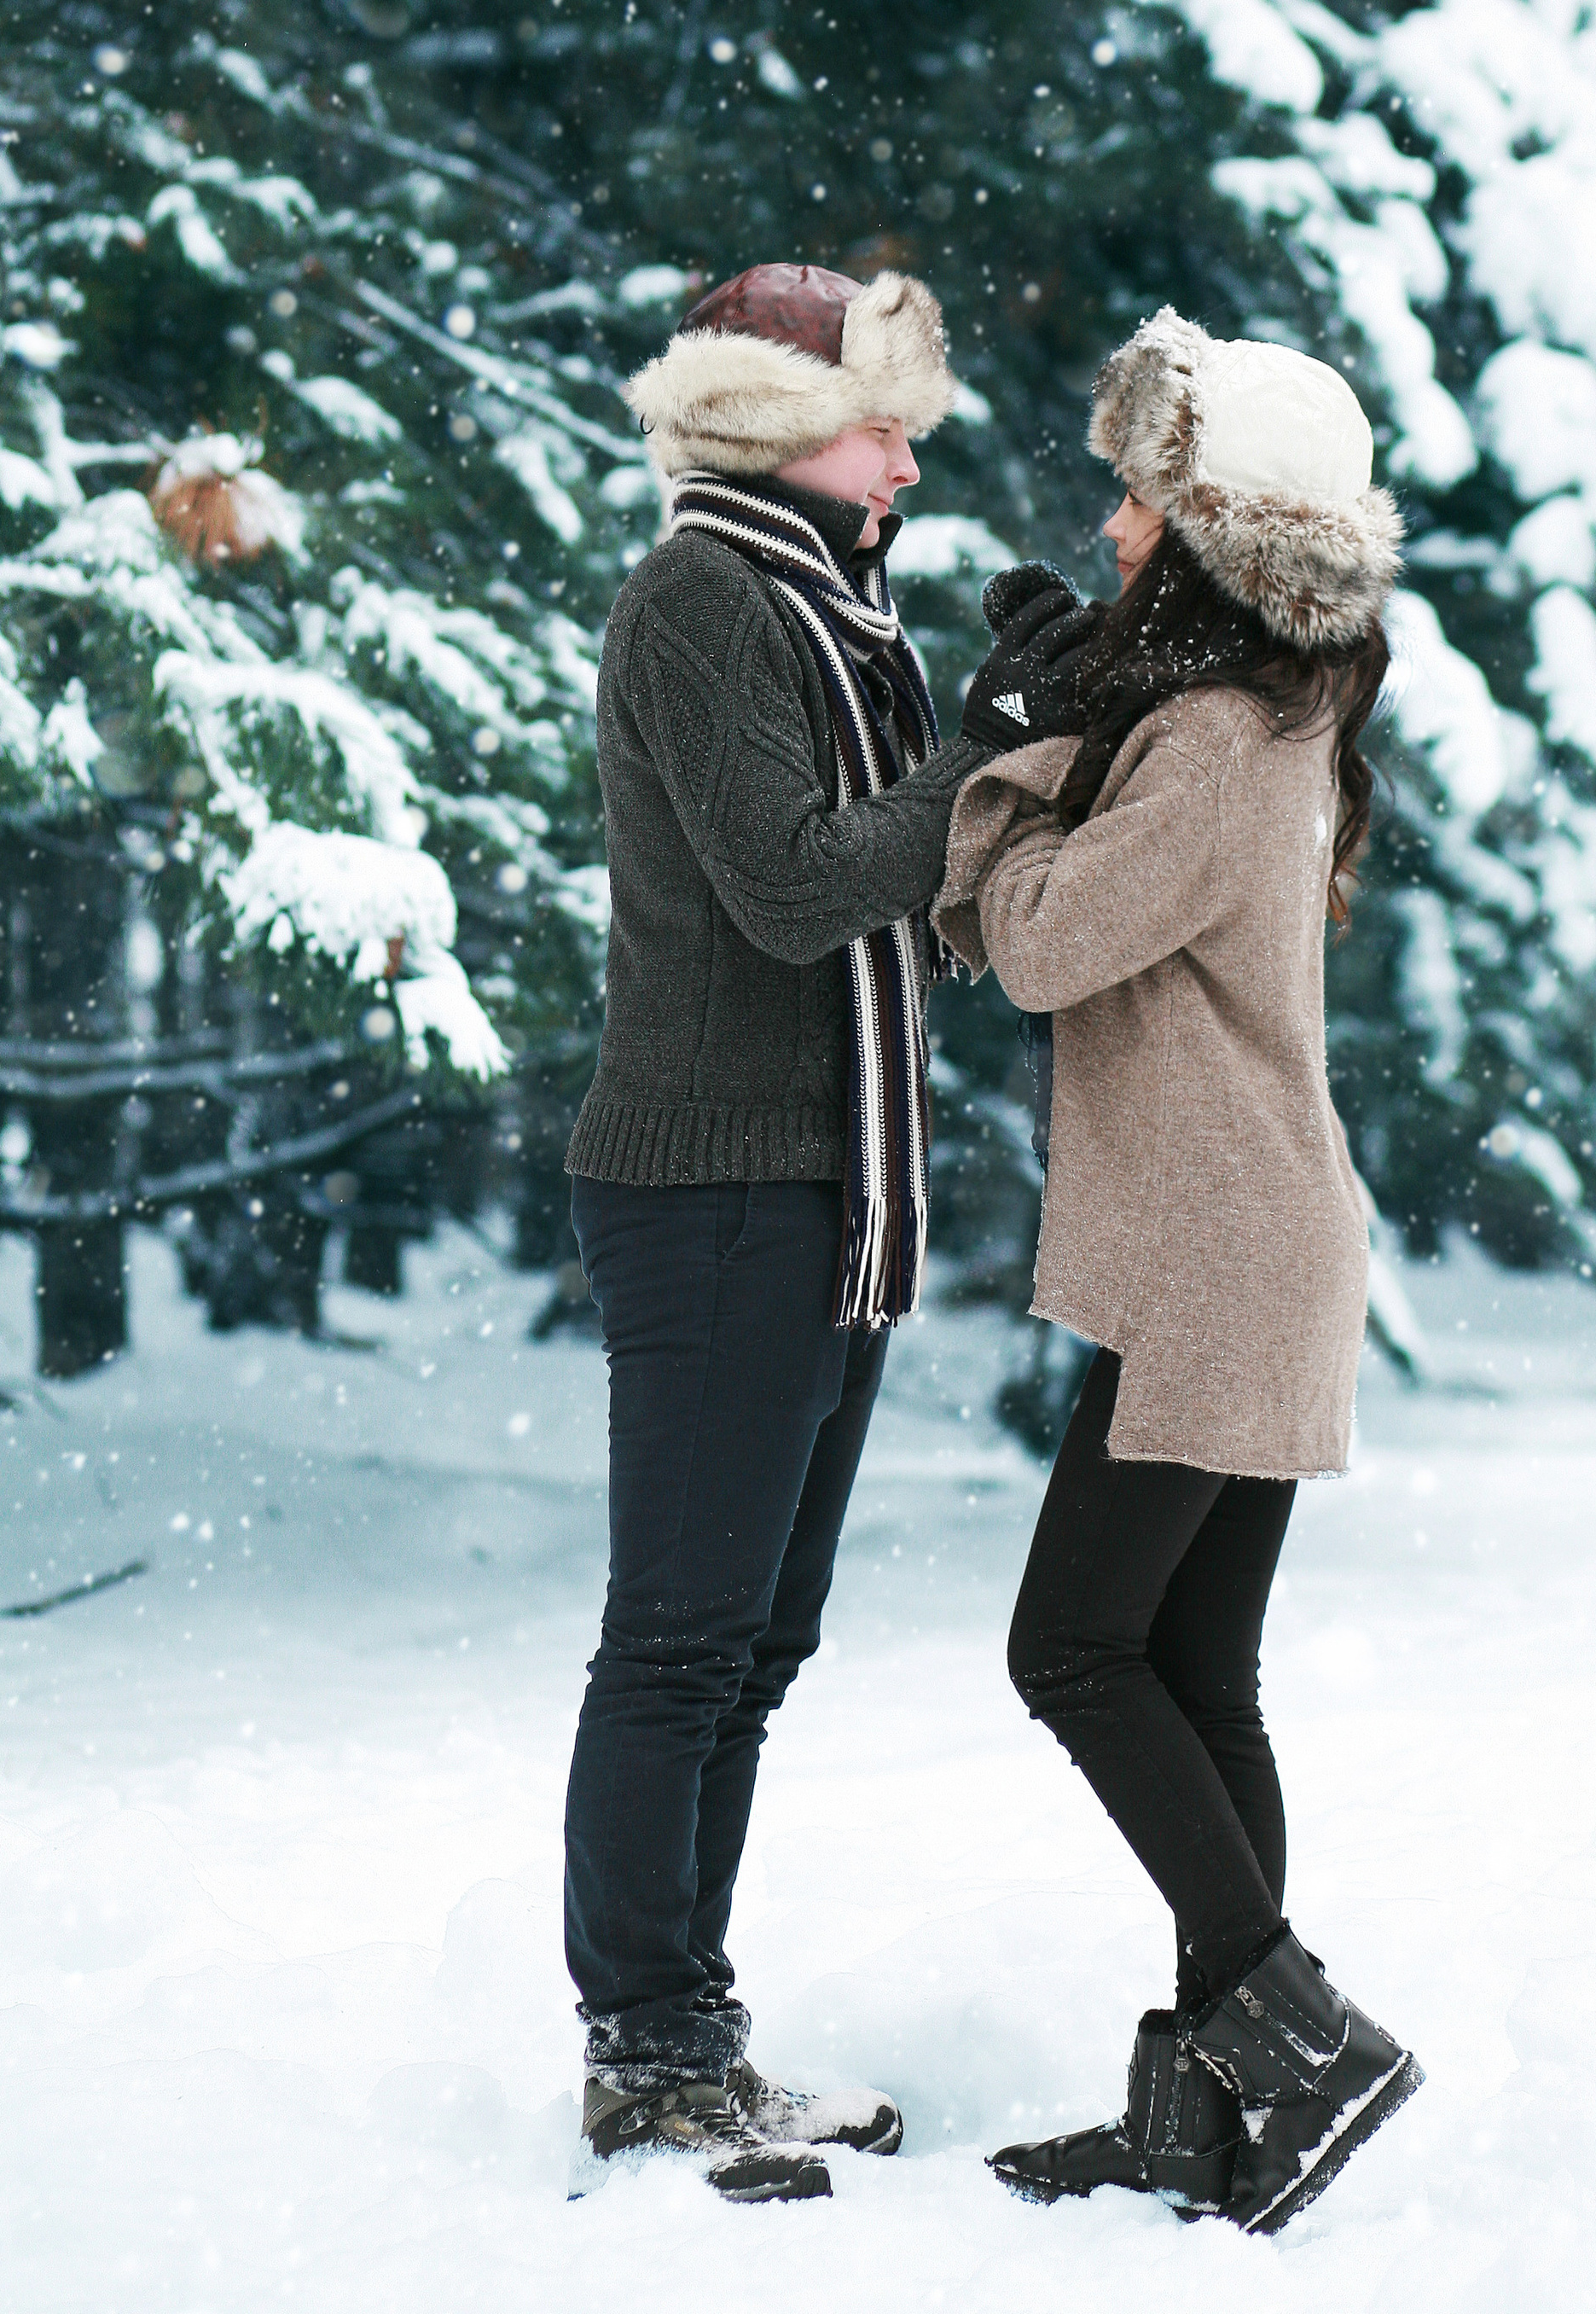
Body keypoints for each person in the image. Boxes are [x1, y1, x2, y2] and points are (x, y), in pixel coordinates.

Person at [562, 259, 1087, 2204]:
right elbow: (799, 894)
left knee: (753, 1640)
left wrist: (1009, 729)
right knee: (683, 1640)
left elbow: (892, 874)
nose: (913, 455)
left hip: (820, 1183)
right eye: (888, 421)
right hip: (714, 1184)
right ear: (784, 430)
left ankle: (688, 2035)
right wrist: (977, 743)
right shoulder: (705, 599)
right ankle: (648, 2056)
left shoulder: (824, 608)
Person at [934, 305, 1423, 2237]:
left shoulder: (1216, 739)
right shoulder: (1266, 722)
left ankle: (1292, 2045)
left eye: (1144, 500)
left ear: (1220, 532)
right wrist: (1075, 739)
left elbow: (1041, 944)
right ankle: (1200, 2124)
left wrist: (1007, 758)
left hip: (1220, 1253)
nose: (1114, 533)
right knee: (1193, 1672)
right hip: (1257, 1235)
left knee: (1066, 1650)